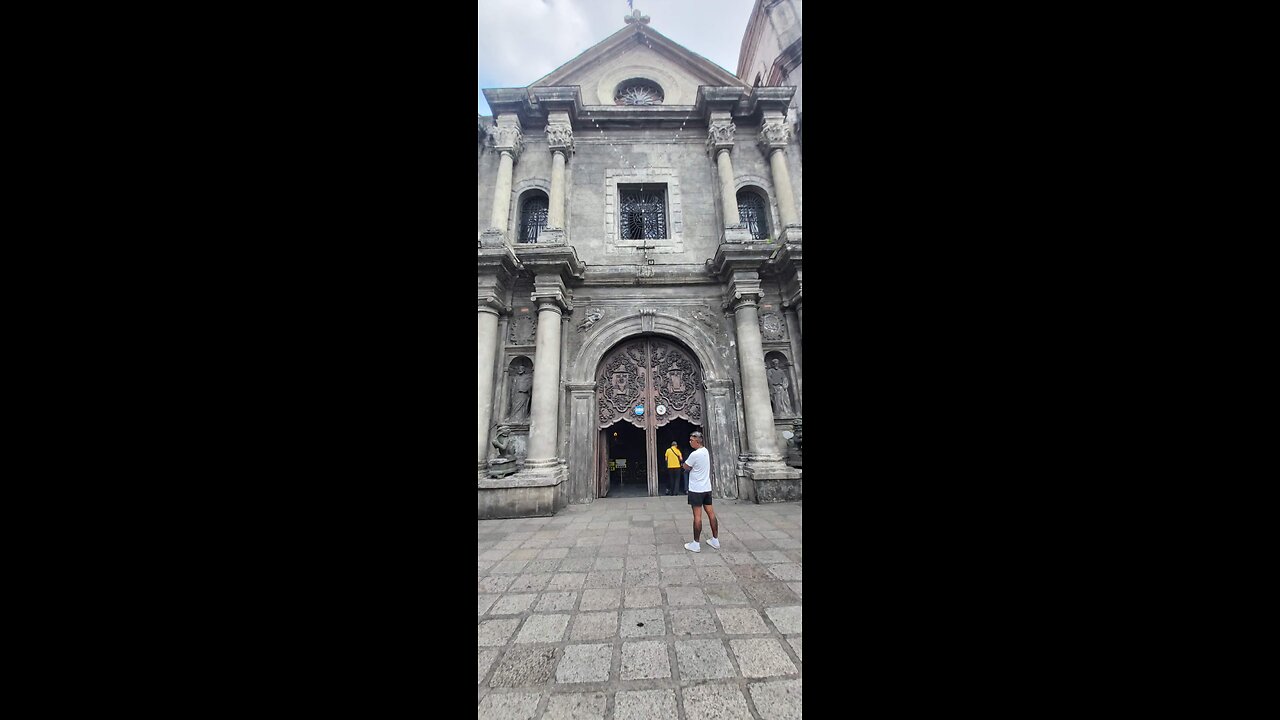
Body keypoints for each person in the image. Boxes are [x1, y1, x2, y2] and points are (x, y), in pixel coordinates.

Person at [682, 431, 720, 552]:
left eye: (691, 440)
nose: (690, 442)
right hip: (706, 488)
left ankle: (696, 543)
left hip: (696, 489)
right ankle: (715, 540)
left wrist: (685, 464)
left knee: (697, 517)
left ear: (697, 441)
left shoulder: (695, 454)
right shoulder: (706, 451)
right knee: (711, 513)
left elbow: (686, 467)